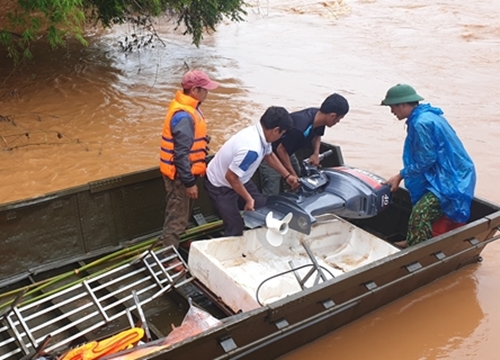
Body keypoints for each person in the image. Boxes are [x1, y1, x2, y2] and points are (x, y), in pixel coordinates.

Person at [381, 84, 476, 248]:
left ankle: (416, 253)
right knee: (420, 203)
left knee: (421, 213)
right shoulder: (427, 115)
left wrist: (400, 175)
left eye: (392, 107)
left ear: (403, 104)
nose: (392, 111)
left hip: (452, 177)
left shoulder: (420, 123)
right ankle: (413, 240)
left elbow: (426, 159)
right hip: (449, 172)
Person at [204, 106, 300, 236]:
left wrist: (287, 176)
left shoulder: (261, 134)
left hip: (240, 179)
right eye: (282, 134)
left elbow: (269, 155)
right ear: (276, 130)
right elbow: (231, 177)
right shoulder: (252, 149)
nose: (281, 136)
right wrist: (249, 199)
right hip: (220, 185)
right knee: (235, 227)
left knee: (263, 207)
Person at [159, 69, 218, 254]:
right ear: (195, 90)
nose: (207, 92)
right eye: (205, 89)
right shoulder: (184, 116)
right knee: (177, 215)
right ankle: (168, 255)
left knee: (183, 212)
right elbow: (180, 155)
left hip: (186, 172)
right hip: (181, 176)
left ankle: (182, 239)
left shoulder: (189, 109)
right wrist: (189, 183)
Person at [259, 93, 350, 197]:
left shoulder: (318, 118)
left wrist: (316, 153)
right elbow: (281, 150)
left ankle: (290, 198)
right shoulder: (300, 128)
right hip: (271, 153)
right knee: (272, 187)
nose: (338, 122)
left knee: (299, 175)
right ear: (332, 116)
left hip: (288, 150)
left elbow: (317, 136)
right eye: (339, 119)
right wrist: (291, 174)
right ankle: (266, 207)